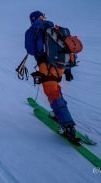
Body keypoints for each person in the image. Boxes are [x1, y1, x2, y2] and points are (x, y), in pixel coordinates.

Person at [25, 11, 80, 144]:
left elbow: (31, 50)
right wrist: (68, 71)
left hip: (46, 66)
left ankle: (67, 126)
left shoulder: (33, 29)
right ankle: (57, 113)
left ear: (32, 19)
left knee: (52, 93)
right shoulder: (54, 29)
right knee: (56, 88)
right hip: (60, 66)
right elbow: (65, 49)